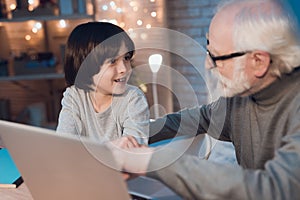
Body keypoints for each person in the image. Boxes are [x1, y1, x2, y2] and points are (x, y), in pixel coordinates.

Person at [110, 0, 300, 199]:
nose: (208, 65)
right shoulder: (240, 100)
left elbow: (275, 189)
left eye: (217, 57)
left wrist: (150, 161)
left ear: (258, 62)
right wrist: (133, 136)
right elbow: (197, 118)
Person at [56, 22, 149, 145]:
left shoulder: (133, 98)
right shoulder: (74, 96)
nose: (124, 69)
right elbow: (63, 146)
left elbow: (132, 152)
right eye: (112, 61)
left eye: (126, 58)